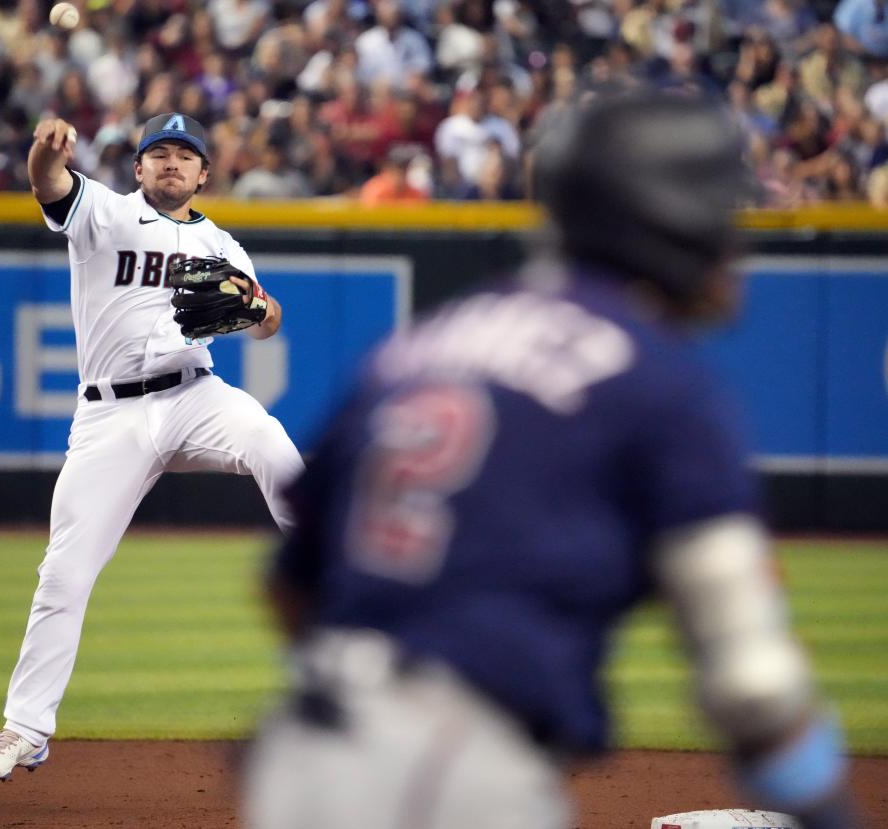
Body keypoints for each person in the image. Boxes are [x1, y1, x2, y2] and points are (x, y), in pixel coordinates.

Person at [243, 91, 863, 829]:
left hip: (300, 755)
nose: (733, 241)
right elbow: (753, 682)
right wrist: (830, 811)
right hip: (452, 773)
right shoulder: (659, 377)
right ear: (665, 218)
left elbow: (291, 588)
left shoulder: (429, 338)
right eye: (721, 213)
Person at [0, 111, 305, 781]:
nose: (172, 162)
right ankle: (24, 729)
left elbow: (269, 319)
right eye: (159, 153)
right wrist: (42, 151)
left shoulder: (222, 242)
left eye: (185, 154)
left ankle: (334, 559)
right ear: (139, 168)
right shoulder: (104, 215)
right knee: (64, 571)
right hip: (109, 417)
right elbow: (49, 182)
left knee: (268, 437)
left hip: (192, 394)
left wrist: (260, 310)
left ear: (204, 173)